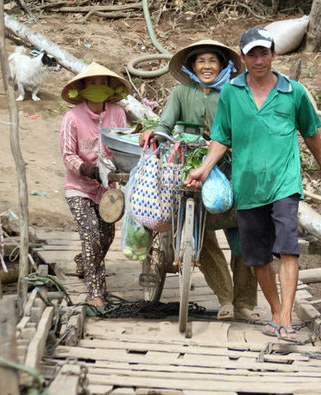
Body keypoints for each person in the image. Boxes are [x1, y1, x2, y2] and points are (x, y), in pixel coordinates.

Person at [186, 28, 321, 341]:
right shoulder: (231, 93)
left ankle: (284, 316)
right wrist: (204, 168)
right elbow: (221, 137)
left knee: (287, 248)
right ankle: (275, 309)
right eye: (252, 54)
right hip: (248, 185)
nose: (258, 60)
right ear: (242, 58)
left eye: (263, 53)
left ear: (273, 54)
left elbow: (311, 133)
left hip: (284, 182)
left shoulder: (293, 92)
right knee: (257, 256)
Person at [140, 39, 259, 321]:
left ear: (224, 66)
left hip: (231, 169)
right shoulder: (182, 92)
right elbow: (165, 124)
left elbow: (245, 127)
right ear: (191, 66)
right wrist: (154, 133)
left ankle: (245, 303)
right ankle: (225, 299)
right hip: (191, 167)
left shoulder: (235, 92)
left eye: (212, 61)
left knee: (244, 238)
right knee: (200, 235)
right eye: (201, 61)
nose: (207, 66)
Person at [60, 62, 130, 309]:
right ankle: (96, 292)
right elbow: (68, 154)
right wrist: (87, 170)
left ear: (111, 89)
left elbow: (123, 144)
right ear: (82, 88)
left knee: (105, 236)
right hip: (79, 188)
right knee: (90, 232)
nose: (98, 88)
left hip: (107, 190)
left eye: (102, 83)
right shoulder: (72, 118)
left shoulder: (117, 114)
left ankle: (84, 260)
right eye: (92, 83)